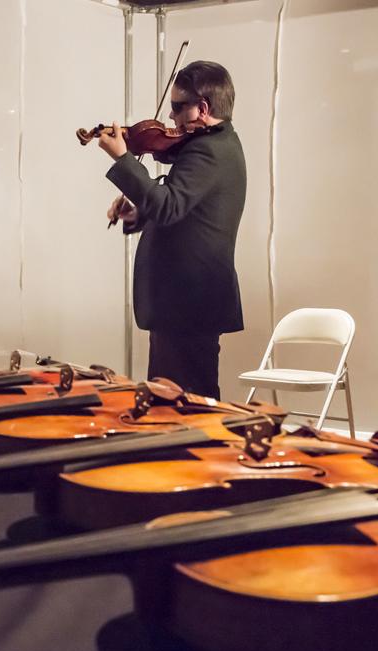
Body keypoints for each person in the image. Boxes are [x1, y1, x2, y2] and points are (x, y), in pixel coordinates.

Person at [97, 60, 246, 399]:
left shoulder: (209, 151)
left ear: (203, 108)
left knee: (187, 404)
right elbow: (186, 212)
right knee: (172, 400)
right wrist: (139, 216)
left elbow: (168, 205)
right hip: (182, 304)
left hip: (188, 302)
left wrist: (122, 159)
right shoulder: (212, 146)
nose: (172, 120)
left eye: (179, 108)